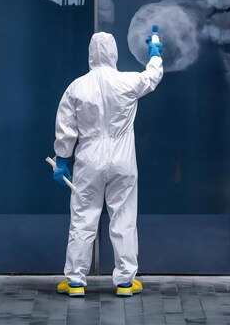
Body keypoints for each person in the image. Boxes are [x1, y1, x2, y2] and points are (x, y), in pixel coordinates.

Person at [52, 31, 163, 297]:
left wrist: (61, 159)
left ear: (91, 53)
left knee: (83, 217)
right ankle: (125, 282)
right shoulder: (127, 81)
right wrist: (155, 52)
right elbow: (152, 77)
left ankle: (76, 282)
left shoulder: (77, 87)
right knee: (123, 218)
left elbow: (65, 128)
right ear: (113, 52)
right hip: (123, 160)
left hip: (88, 160)